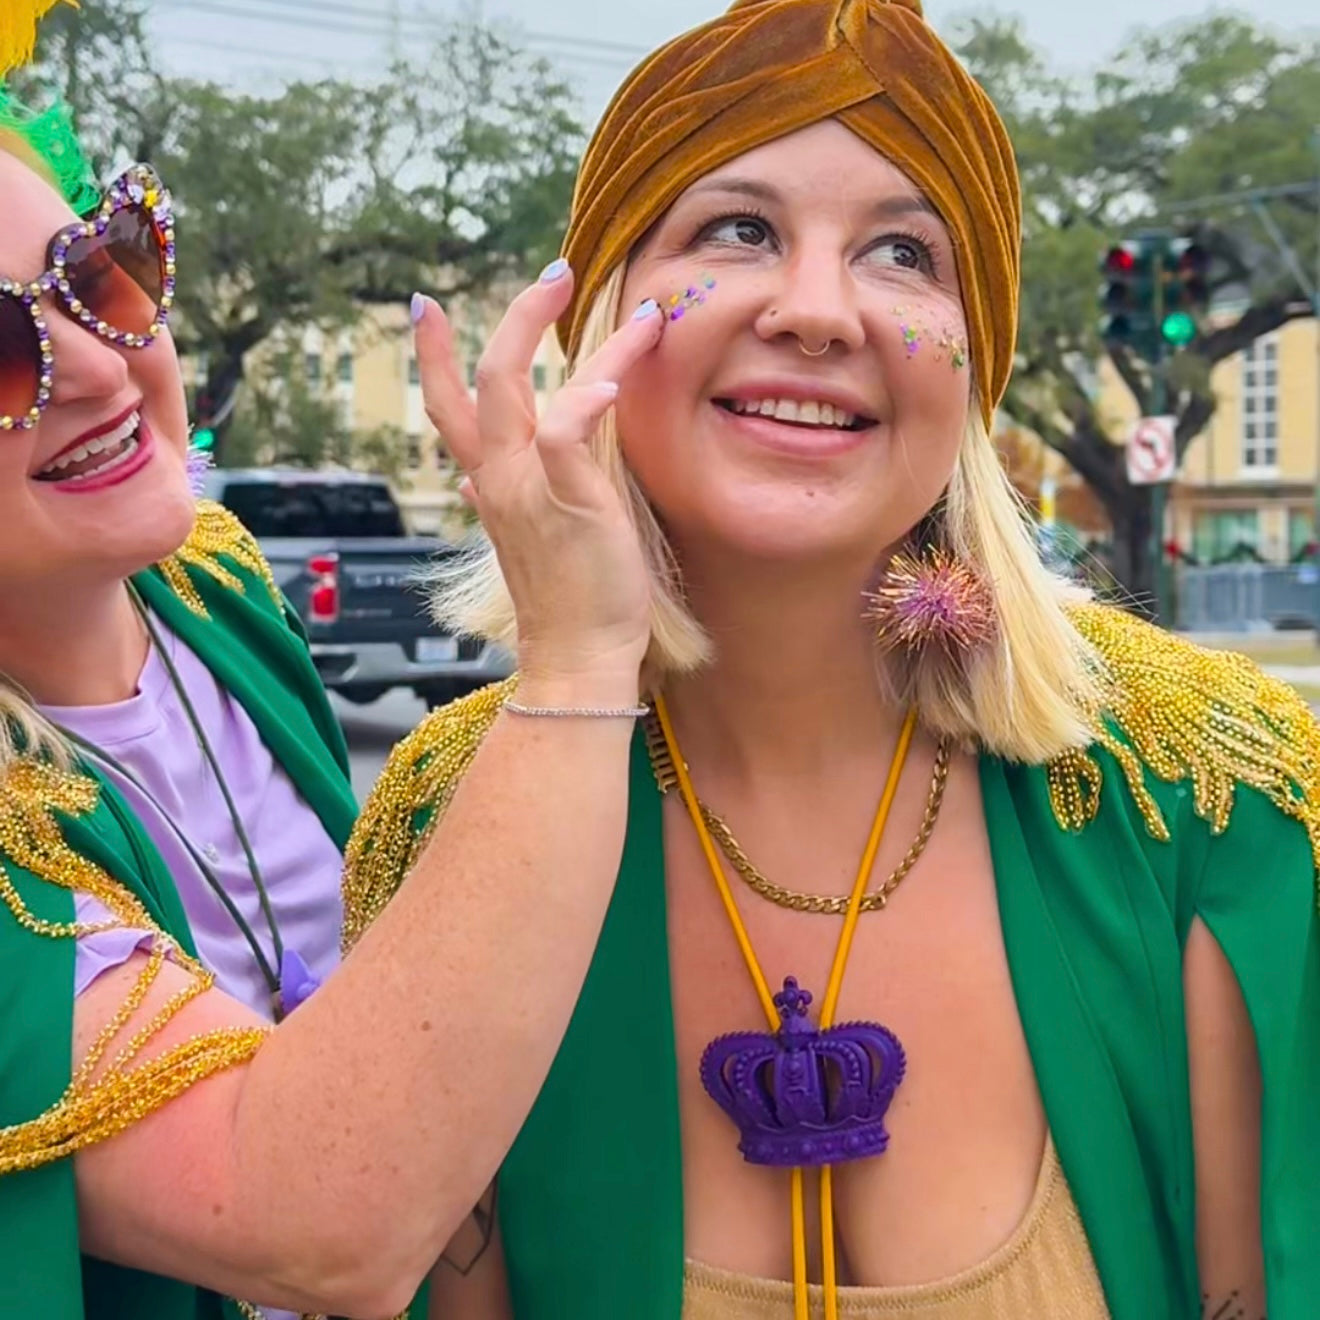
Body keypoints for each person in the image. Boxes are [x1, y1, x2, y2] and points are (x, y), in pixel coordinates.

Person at [349, 1, 1320, 1317]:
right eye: (736, 229)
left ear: (975, 359)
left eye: (905, 253)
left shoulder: (1217, 802)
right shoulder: (449, 820)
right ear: (599, 317)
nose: (818, 311)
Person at [0, 54, 662, 1320]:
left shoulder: (215, 584)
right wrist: (578, 656)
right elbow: (315, 1212)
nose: (94, 365)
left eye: (100, 275)